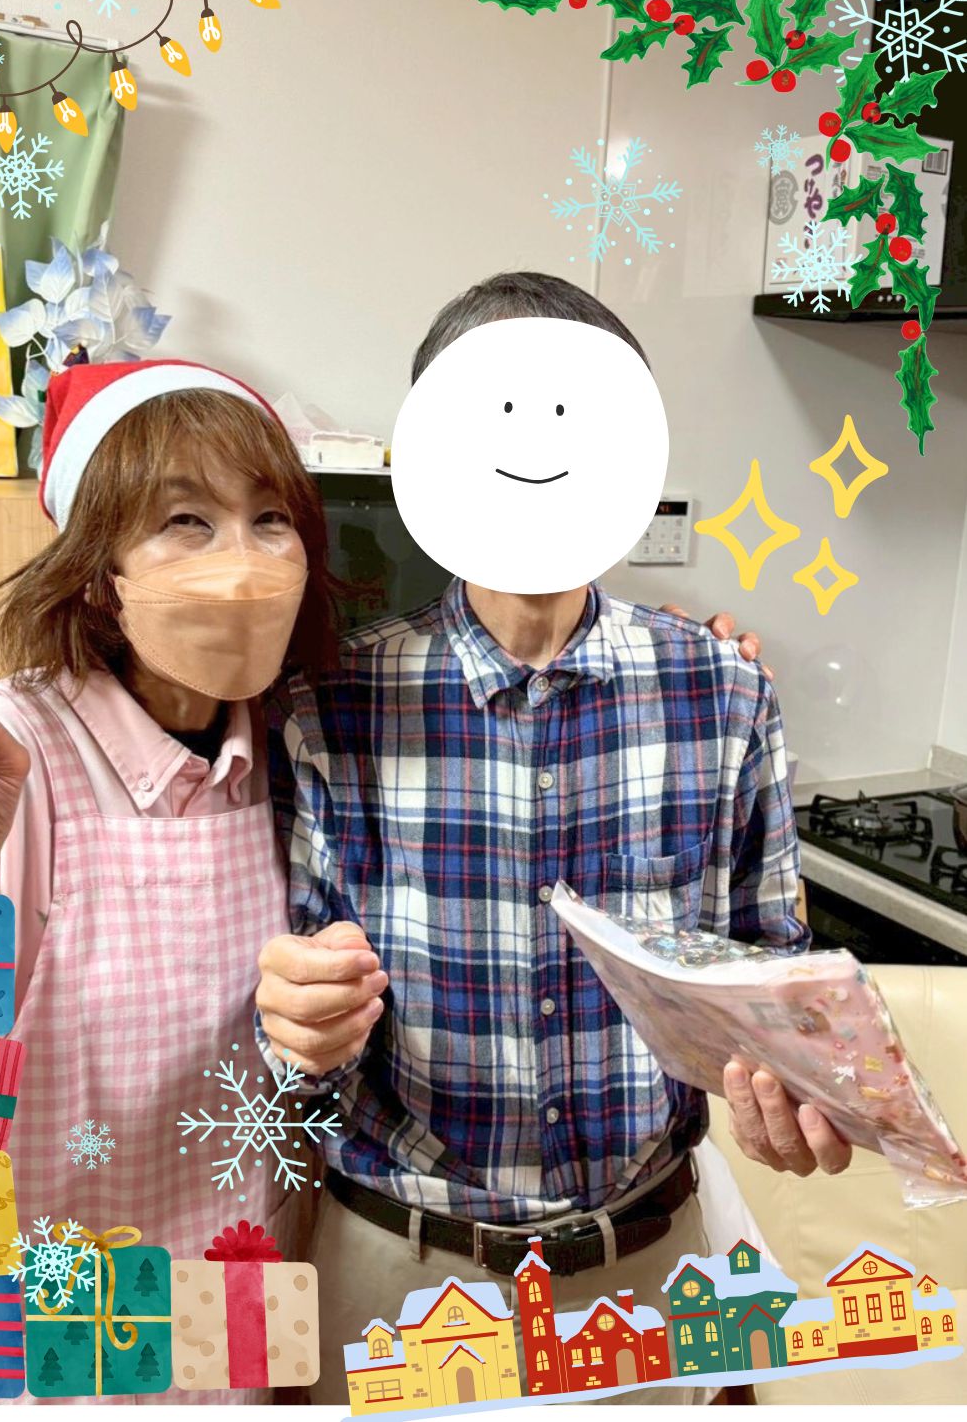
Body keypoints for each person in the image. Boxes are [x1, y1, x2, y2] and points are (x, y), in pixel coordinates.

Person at [255, 273, 853, 1405]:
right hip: (400, 1270)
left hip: (650, 1266)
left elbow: (771, 979)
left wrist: (805, 1085)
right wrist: (293, 1023)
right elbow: (287, 1027)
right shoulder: (331, 702)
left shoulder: (722, 690)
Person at [0, 359, 338, 1405]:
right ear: (95, 573)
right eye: (185, 520)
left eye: (269, 518)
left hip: (220, 1339)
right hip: (17, 1354)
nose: (243, 562)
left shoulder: (299, 753)